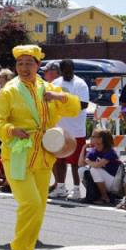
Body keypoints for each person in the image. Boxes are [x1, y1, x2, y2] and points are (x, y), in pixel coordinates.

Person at [0, 44, 80, 250]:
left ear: (38, 66)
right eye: (20, 64)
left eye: (29, 63)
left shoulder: (48, 88)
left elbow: (74, 108)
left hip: (43, 155)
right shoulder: (9, 91)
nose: (24, 68)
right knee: (29, 204)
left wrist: (60, 96)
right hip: (18, 155)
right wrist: (11, 129)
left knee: (39, 207)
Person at [51, 59, 90, 200]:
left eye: (70, 70)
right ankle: (60, 187)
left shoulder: (80, 84)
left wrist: (63, 101)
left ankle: (77, 189)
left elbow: (84, 104)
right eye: (65, 70)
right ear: (61, 70)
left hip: (76, 130)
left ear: (73, 69)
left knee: (75, 163)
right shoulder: (55, 83)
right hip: (59, 129)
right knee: (59, 161)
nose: (67, 73)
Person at [77, 129, 122, 205]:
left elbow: (97, 165)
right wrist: (83, 148)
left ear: (101, 139)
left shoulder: (110, 151)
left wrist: (87, 161)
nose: (91, 138)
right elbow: (80, 164)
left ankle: (105, 197)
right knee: (81, 170)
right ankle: (94, 195)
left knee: (94, 169)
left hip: (113, 183)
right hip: (103, 181)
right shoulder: (95, 150)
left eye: (93, 136)